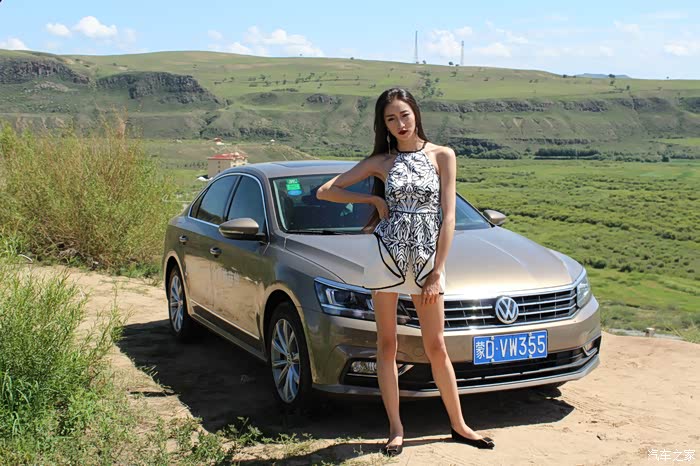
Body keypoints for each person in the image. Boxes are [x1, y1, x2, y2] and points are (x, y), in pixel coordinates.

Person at [316, 88, 495, 456]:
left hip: (428, 260)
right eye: (390, 119)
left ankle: (459, 425)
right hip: (386, 256)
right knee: (387, 345)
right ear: (384, 125)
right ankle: (396, 429)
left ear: (416, 113)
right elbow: (326, 191)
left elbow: (448, 217)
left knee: (436, 345)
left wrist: (437, 271)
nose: (399, 124)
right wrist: (372, 198)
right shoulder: (381, 161)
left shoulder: (442, 155)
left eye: (404, 115)